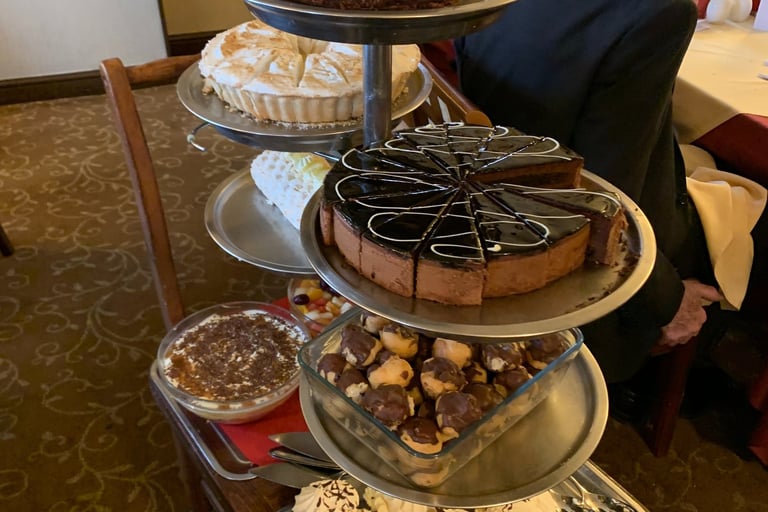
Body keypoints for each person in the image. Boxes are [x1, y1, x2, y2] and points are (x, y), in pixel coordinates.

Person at [453, 0, 733, 386]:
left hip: (483, 188)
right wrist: (668, 302)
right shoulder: (657, 12)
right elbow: (606, 196)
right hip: (561, 248)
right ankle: (683, 386)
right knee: (751, 221)